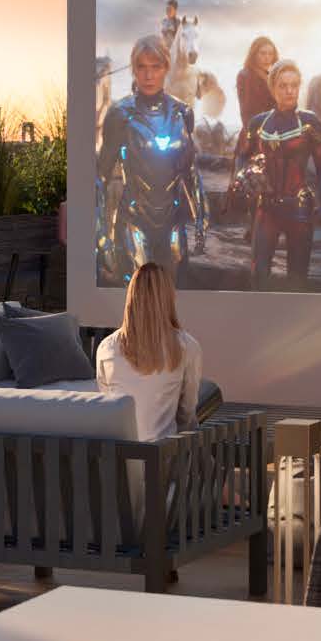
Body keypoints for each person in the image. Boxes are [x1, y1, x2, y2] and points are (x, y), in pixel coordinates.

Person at [96, 33, 203, 284]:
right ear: (133, 70)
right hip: (133, 220)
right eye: (141, 67)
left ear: (166, 67)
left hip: (173, 223)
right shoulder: (120, 114)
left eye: (155, 67)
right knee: (135, 304)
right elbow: (100, 175)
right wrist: (102, 237)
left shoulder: (183, 113)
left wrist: (201, 220)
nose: (148, 75)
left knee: (174, 305)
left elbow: (190, 172)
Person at [234, 59, 321, 289]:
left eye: (294, 85)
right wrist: (244, 176)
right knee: (259, 275)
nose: (289, 91)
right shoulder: (259, 123)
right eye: (283, 86)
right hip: (266, 208)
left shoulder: (309, 122)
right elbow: (241, 156)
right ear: (272, 88)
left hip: (299, 207)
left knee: (297, 279)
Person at [94, 262, 204, 442]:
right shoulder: (187, 346)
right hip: (163, 461)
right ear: (169, 297)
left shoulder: (106, 348)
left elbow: (108, 407)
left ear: (131, 297)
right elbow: (187, 414)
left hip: (119, 463)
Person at [236, 36, 279, 132]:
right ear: (254, 54)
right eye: (263, 53)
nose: (267, 57)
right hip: (257, 132)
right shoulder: (245, 75)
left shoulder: (271, 76)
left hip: (275, 130)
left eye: (270, 54)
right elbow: (247, 111)